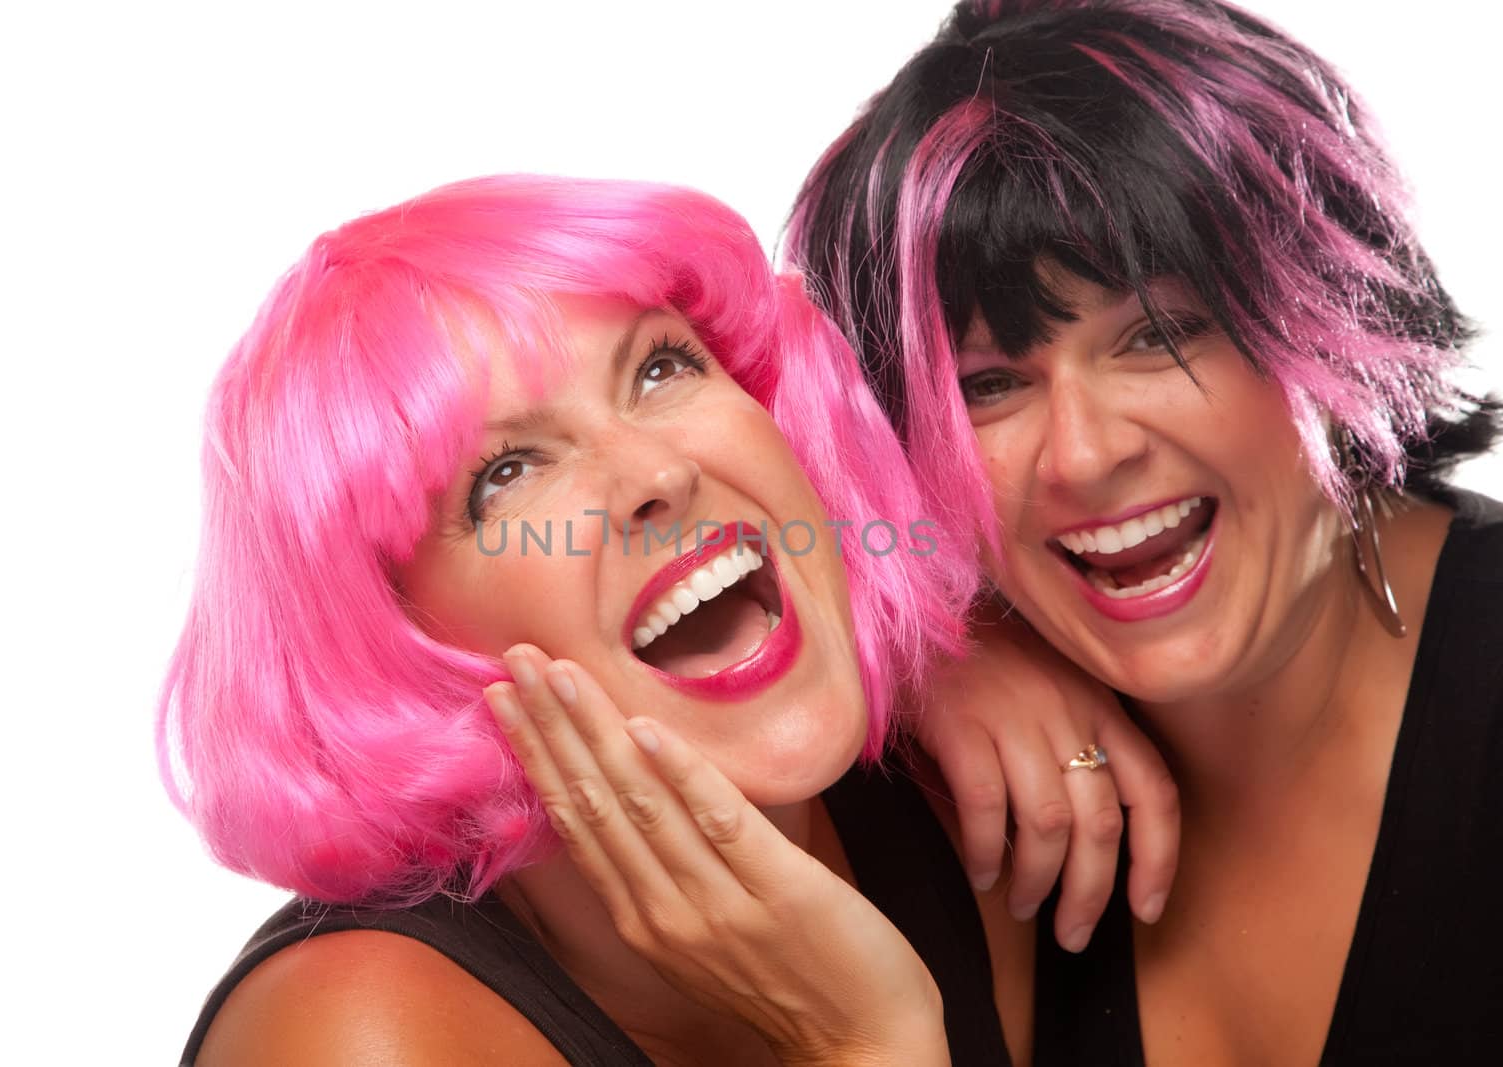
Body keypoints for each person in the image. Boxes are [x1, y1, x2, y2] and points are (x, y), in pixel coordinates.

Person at [161, 174, 1174, 1065]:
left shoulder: (957, 812)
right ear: (397, 643)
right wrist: (859, 1043)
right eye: (505, 473)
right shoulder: (353, 1034)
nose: (657, 472)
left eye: (661, 367)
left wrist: (969, 642)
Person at [787, 1, 1502, 1064]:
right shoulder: (942, 782)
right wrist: (917, 647)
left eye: (1157, 334)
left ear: (1332, 311)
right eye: (988, 385)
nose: (1079, 455)